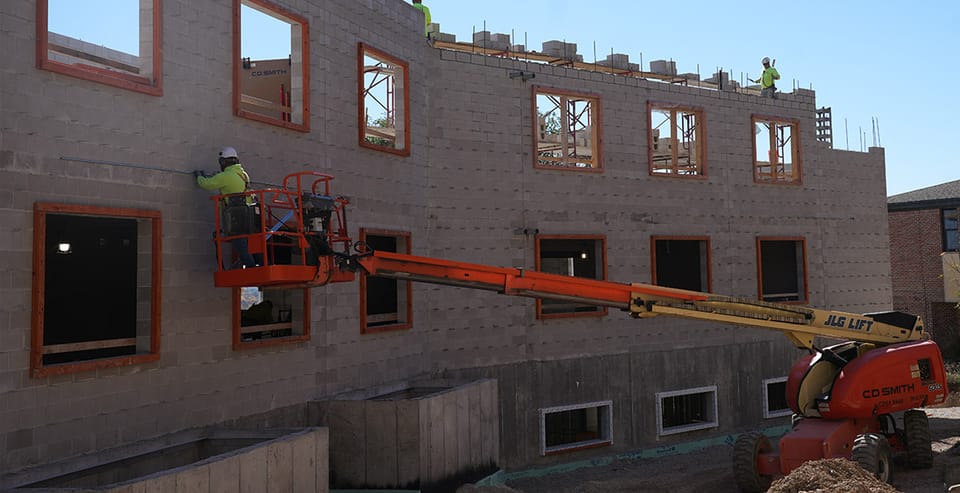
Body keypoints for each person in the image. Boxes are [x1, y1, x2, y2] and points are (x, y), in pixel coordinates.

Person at [195, 147, 258, 269]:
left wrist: (199, 176)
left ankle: (250, 267)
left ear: (224, 162)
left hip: (235, 216)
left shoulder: (226, 176)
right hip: (248, 214)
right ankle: (253, 264)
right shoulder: (243, 175)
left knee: (239, 242)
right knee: (248, 243)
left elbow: (206, 184)